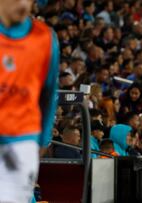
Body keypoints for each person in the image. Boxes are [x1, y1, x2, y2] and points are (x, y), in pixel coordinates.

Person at [0, 0, 59, 202]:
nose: (25, 5)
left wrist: (41, 141)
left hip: (22, 141)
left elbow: (49, 94)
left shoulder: (44, 38)